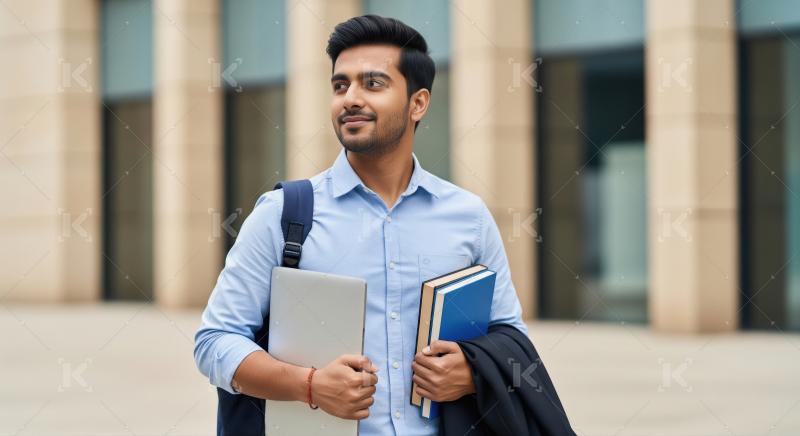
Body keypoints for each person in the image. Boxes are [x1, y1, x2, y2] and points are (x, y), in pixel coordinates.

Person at [194, 14, 531, 435]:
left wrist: (472, 371)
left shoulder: (468, 216)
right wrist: (310, 385)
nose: (350, 98)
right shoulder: (283, 214)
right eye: (340, 85)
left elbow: (510, 336)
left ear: (418, 103)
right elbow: (214, 342)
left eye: (373, 84)